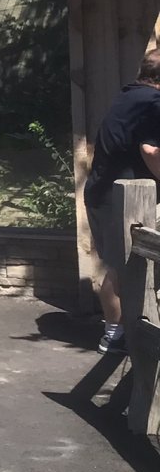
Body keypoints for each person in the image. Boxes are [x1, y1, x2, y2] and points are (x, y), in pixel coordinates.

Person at [84, 48, 160, 354]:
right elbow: (152, 151)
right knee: (123, 267)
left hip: (104, 192)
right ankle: (115, 337)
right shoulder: (153, 103)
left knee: (120, 264)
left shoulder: (129, 96)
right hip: (120, 198)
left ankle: (118, 332)